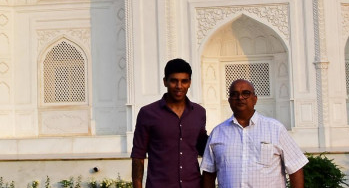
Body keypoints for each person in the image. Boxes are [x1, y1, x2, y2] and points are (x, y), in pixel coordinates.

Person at [201, 79, 307, 188]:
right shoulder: (218, 133)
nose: (240, 98)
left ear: (255, 99)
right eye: (234, 94)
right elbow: (209, 174)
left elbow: (296, 167)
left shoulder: (275, 129)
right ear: (229, 100)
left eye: (246, 93)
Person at [131, 58, 208, 188]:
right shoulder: (147, 113)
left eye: (184, 81)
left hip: (193, 184)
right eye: (174, 81)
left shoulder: (199, 112)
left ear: (189, 83)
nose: (179, 86)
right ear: (165, 81)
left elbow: (203, 148)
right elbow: (138, 156)